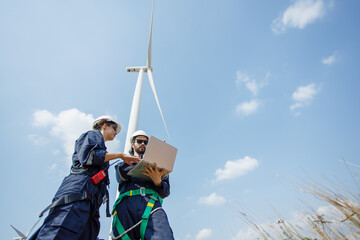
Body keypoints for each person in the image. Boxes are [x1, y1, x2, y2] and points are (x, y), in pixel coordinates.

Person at [29, 116, 140, 240]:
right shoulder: (92, 135)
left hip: (91, 202)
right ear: (104, 125)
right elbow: (88, 156)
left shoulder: (102, 147)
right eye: (114, 128)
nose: (116, 132)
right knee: (60, 232)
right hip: (78, 194)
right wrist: (119, 155)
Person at [111, 130, 174, 240]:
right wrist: (143, 162)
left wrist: (158, 181)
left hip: (151, 203)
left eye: (146, 142)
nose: (143, 144)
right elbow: (120, 176)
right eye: (139, 141)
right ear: (132, 144)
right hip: (126, 205)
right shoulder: (124, 163)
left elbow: (166, 191)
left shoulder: (160, 166)